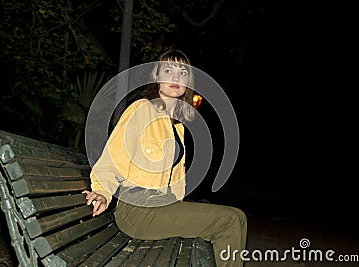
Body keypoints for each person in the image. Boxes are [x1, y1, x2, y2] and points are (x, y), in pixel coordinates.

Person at [83, 49, 247, 267]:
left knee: (239, 217)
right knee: (228, 222)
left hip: (161, 206)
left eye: (182, 73)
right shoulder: (141, 109)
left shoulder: (176, 125)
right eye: (168, 70)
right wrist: (102, 192)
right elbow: (113, 158)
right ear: (157, 78)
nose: (175, 78)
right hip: (138, 210)